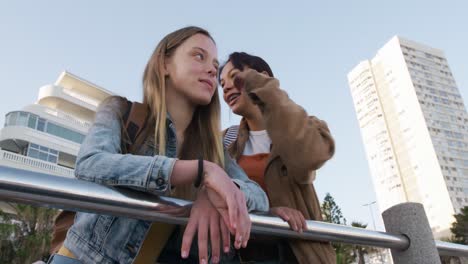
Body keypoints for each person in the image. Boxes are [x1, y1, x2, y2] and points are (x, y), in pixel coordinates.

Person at [48, 28, 269, 264]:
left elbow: (259, 196)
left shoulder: (213, 150)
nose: (212, 69)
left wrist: (217, 191)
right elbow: (90, 164)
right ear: (164, 64)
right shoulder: (120, 111)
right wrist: (200, 171)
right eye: (198, 56)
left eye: (215, 64)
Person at [219, 52, 336, 263]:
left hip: (299, 254)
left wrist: (266, 90)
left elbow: (312, 156)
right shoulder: (225, 141)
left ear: (263, 77)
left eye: (234, 76)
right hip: (241, 254)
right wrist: (266, 213)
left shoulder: (304, 127)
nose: (226, 87)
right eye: (222, 84)